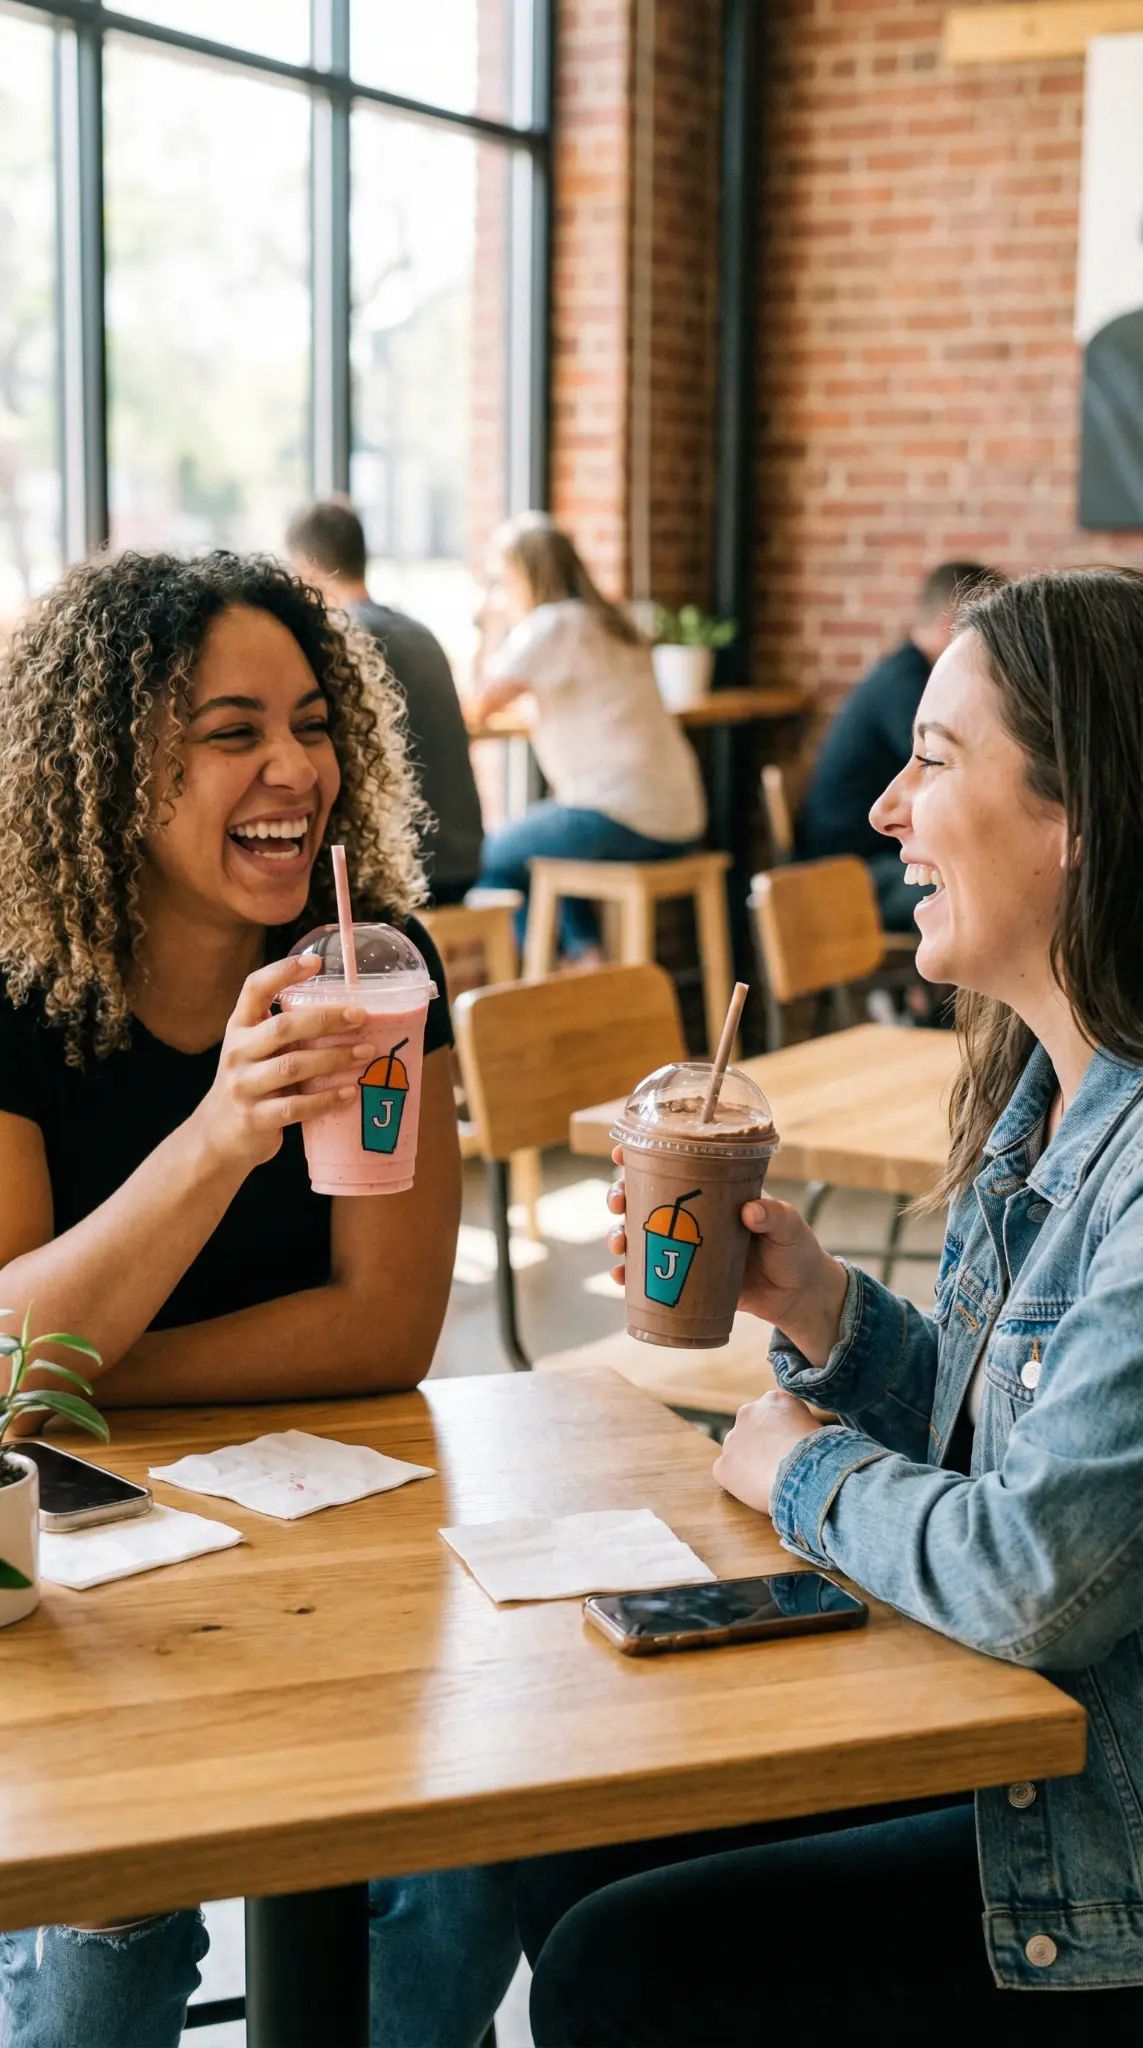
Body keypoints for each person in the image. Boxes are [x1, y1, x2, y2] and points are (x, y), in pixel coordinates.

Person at [517, 568, 1143, 2045]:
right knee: (557, 1828)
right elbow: (1031, 1449)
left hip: (1097, 1861)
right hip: (1033, 1768)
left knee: (619, 1971)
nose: (883, 807)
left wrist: (801, 1469)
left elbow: (1038, 1578)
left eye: (932, 759)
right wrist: (822, 1313)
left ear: (1075, 815)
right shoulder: (1044, 1105)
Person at [0, 551, 519, 2048]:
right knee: (108, 1928)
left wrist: (94, 1361)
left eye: (311, 722)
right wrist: (222, 1132)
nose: (295, 767)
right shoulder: (17, 988)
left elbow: (384, 1333)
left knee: (468, 1871)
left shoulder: (370, 966)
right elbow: (14, 1366)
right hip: (80, 1560)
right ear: (113, 768)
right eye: (232, 732)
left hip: (337, 1518)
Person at [473, 513, 707, 958]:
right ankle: (586, 960)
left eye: (502, 579)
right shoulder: (612, 620)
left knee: (492, 857)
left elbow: (481, 702)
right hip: (682, 818)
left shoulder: (553, 624)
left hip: (622, 817)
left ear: (524, 576)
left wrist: (489, 624)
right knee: (554, 842)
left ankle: (563, 972)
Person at [286, 498, 484, 905]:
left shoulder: (341, 640)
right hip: (466, 860)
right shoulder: (420, 632)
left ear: (306, 567)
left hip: (407, 871)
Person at [797, 560, 1002, 930]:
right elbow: (953, 774)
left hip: (879, 857)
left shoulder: (907, 672)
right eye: (987, 630)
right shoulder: (908, 686)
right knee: (989, 895)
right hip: (850, 873)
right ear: (951, 625)